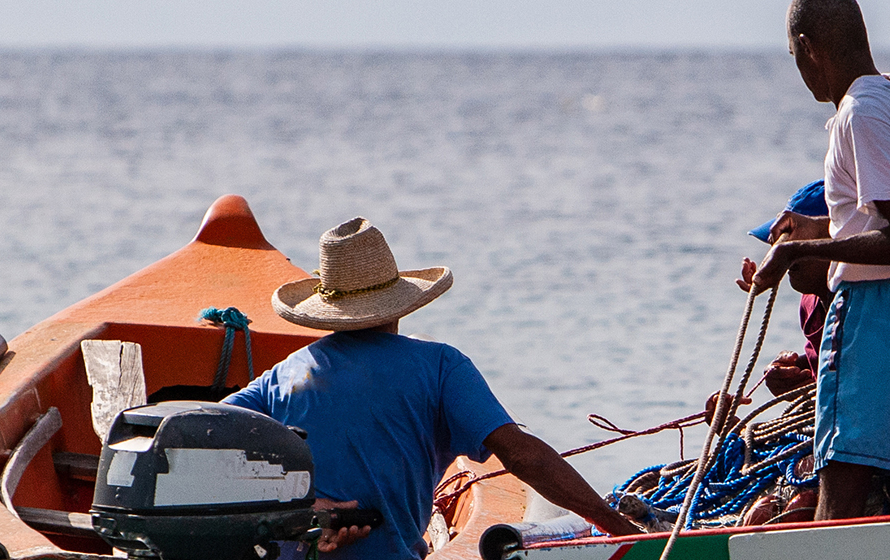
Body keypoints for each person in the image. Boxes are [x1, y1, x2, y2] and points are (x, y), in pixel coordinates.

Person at [224, 218, 641, 559]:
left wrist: (306, 509)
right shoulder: (440, 366)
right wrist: (619, 529)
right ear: (399, 302)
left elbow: (202, 434)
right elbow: (522, 455)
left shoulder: (284, 375)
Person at [737, 0, 890, 521]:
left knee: (838, 501)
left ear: (808, 49)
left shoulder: (857, 114)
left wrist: (800, 251)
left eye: (795, 56)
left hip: (876, 318)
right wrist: (819, 229)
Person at [749, 180, 832, 397]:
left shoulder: (867, 303)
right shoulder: (810, 301)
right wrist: (794, 373)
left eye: (795, 244)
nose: (784, 257)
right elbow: (825, 360)